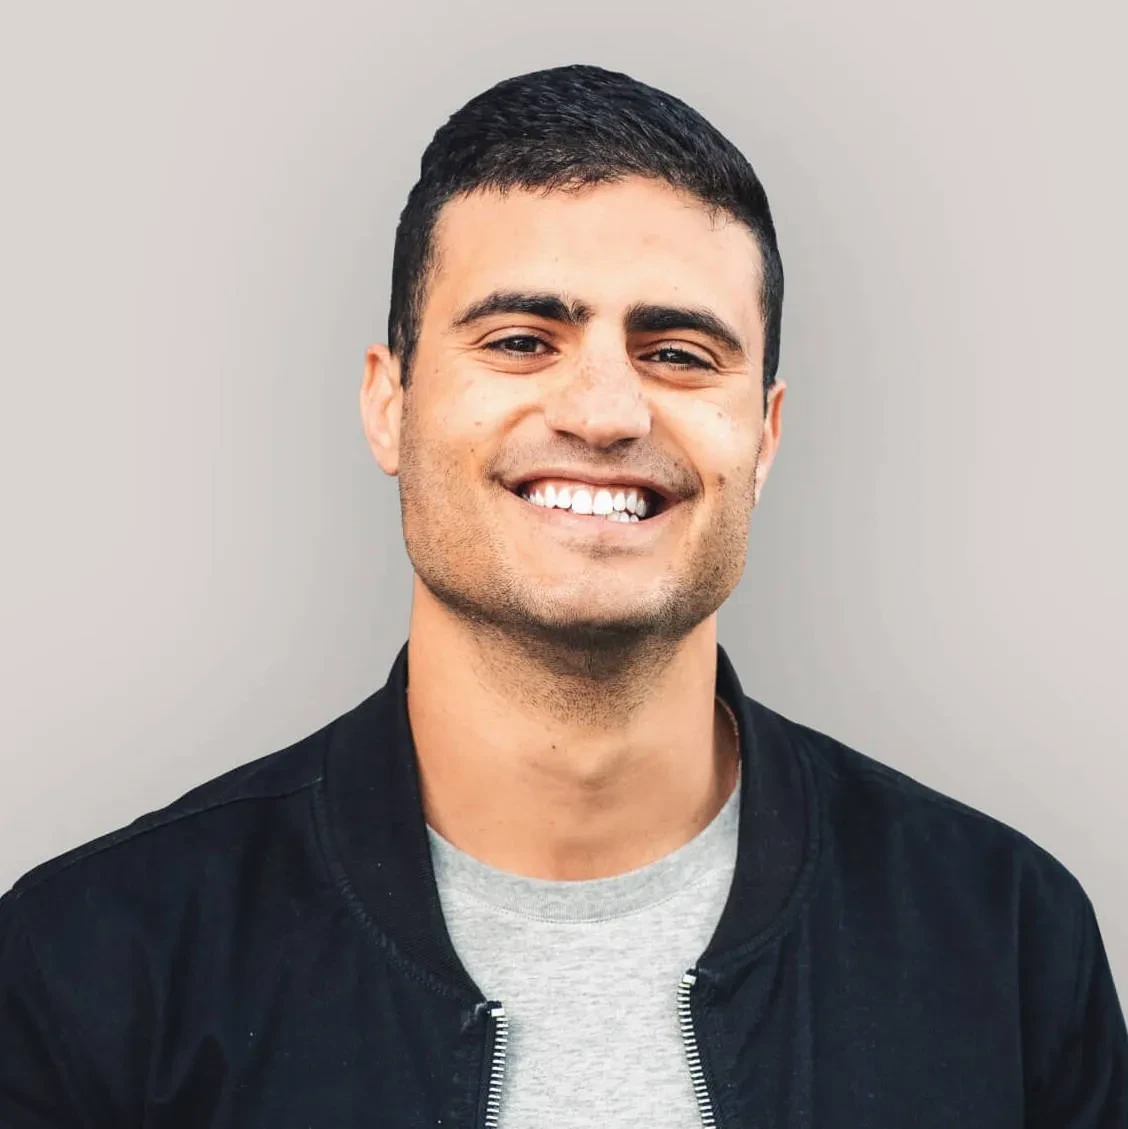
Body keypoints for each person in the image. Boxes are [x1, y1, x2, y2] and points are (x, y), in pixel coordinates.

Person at [1, 63, 1124, 1129]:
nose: (604, 412)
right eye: (522, 339)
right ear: (389, 404)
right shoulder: (91, 966)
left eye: (679, 353)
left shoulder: (1009, 943)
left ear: (765, 435)